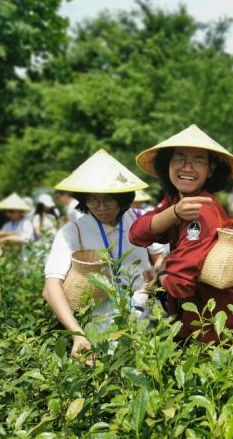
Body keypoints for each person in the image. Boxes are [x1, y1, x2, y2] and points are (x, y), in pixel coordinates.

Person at [129, 123, 233, 343]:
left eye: (198, 161)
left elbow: (180, 282)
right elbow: (137, 234)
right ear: (168, 164)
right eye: (179, 159)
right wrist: (174, 212)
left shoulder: (201, 210)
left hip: (218, 326)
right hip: (195, 320)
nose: (187, 167)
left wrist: (161, 270)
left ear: (210, 170)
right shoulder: (175, 200)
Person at [42, 149, 161, 366]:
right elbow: (51, 287)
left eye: (109, 200)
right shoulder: (74, 232)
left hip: (147, 325)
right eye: (93, 200)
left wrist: (157, 270)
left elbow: (160, 257)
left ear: (123, 198)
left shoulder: (140, 221)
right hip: (98, 335)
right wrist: (78, 334)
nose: (101, 208)